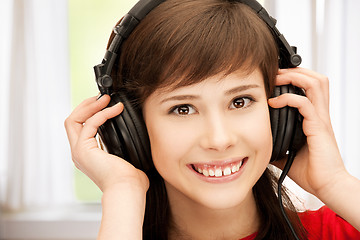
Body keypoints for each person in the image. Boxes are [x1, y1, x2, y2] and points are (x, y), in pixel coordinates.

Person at [64, 0, 360, 239]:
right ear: (133, 128)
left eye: (240, 101)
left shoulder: (335, 231)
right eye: (182, 108)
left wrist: (334, 182)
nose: (219, 139)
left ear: (279, 113)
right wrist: (123, 191)